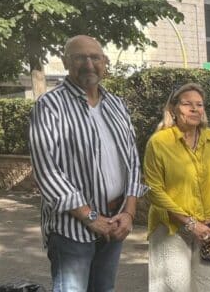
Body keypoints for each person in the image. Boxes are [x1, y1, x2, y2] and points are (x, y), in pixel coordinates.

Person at [28, 35, 144, 292]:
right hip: (72, 230)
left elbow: (132, 160)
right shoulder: (50, 105)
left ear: (105, 62)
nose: (89, 64)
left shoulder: (117, 104)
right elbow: (47, 170)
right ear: (66, 62)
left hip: (115, 224)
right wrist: (91, 217)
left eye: (95, 57)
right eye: (80, 57)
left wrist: (129, 213)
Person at [143, 83, 210, 292]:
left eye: (199, 105)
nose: (194, 109)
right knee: (174, 287)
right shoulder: (159, 142)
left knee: (208, 287)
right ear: (173, 109)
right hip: (171, 228)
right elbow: (154, 189)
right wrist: (190, 223)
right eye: (187, 104)